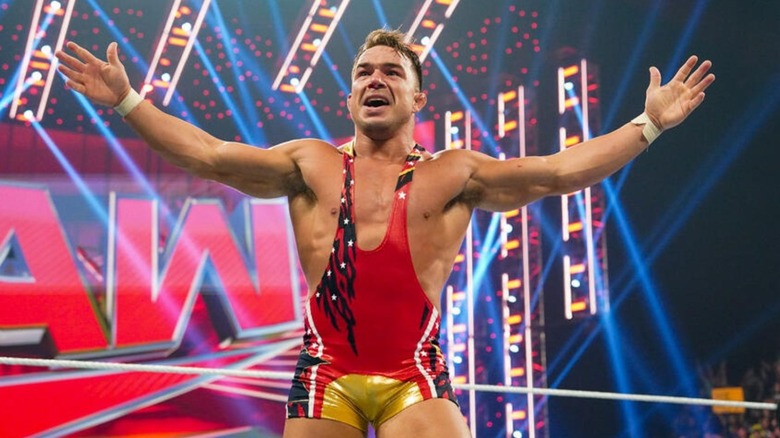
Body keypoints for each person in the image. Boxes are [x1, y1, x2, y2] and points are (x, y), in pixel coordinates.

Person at [55, 29, 714, 438]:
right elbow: (205, 153)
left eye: (391, 72)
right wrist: (129, 102)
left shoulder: (455, 172)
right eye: (364, 73)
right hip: (325, 377)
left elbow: (557, 172)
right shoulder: (308, 162)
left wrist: (647, 126)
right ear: (348, 100)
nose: (375, 79)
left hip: (414, 377)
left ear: (417, 96)